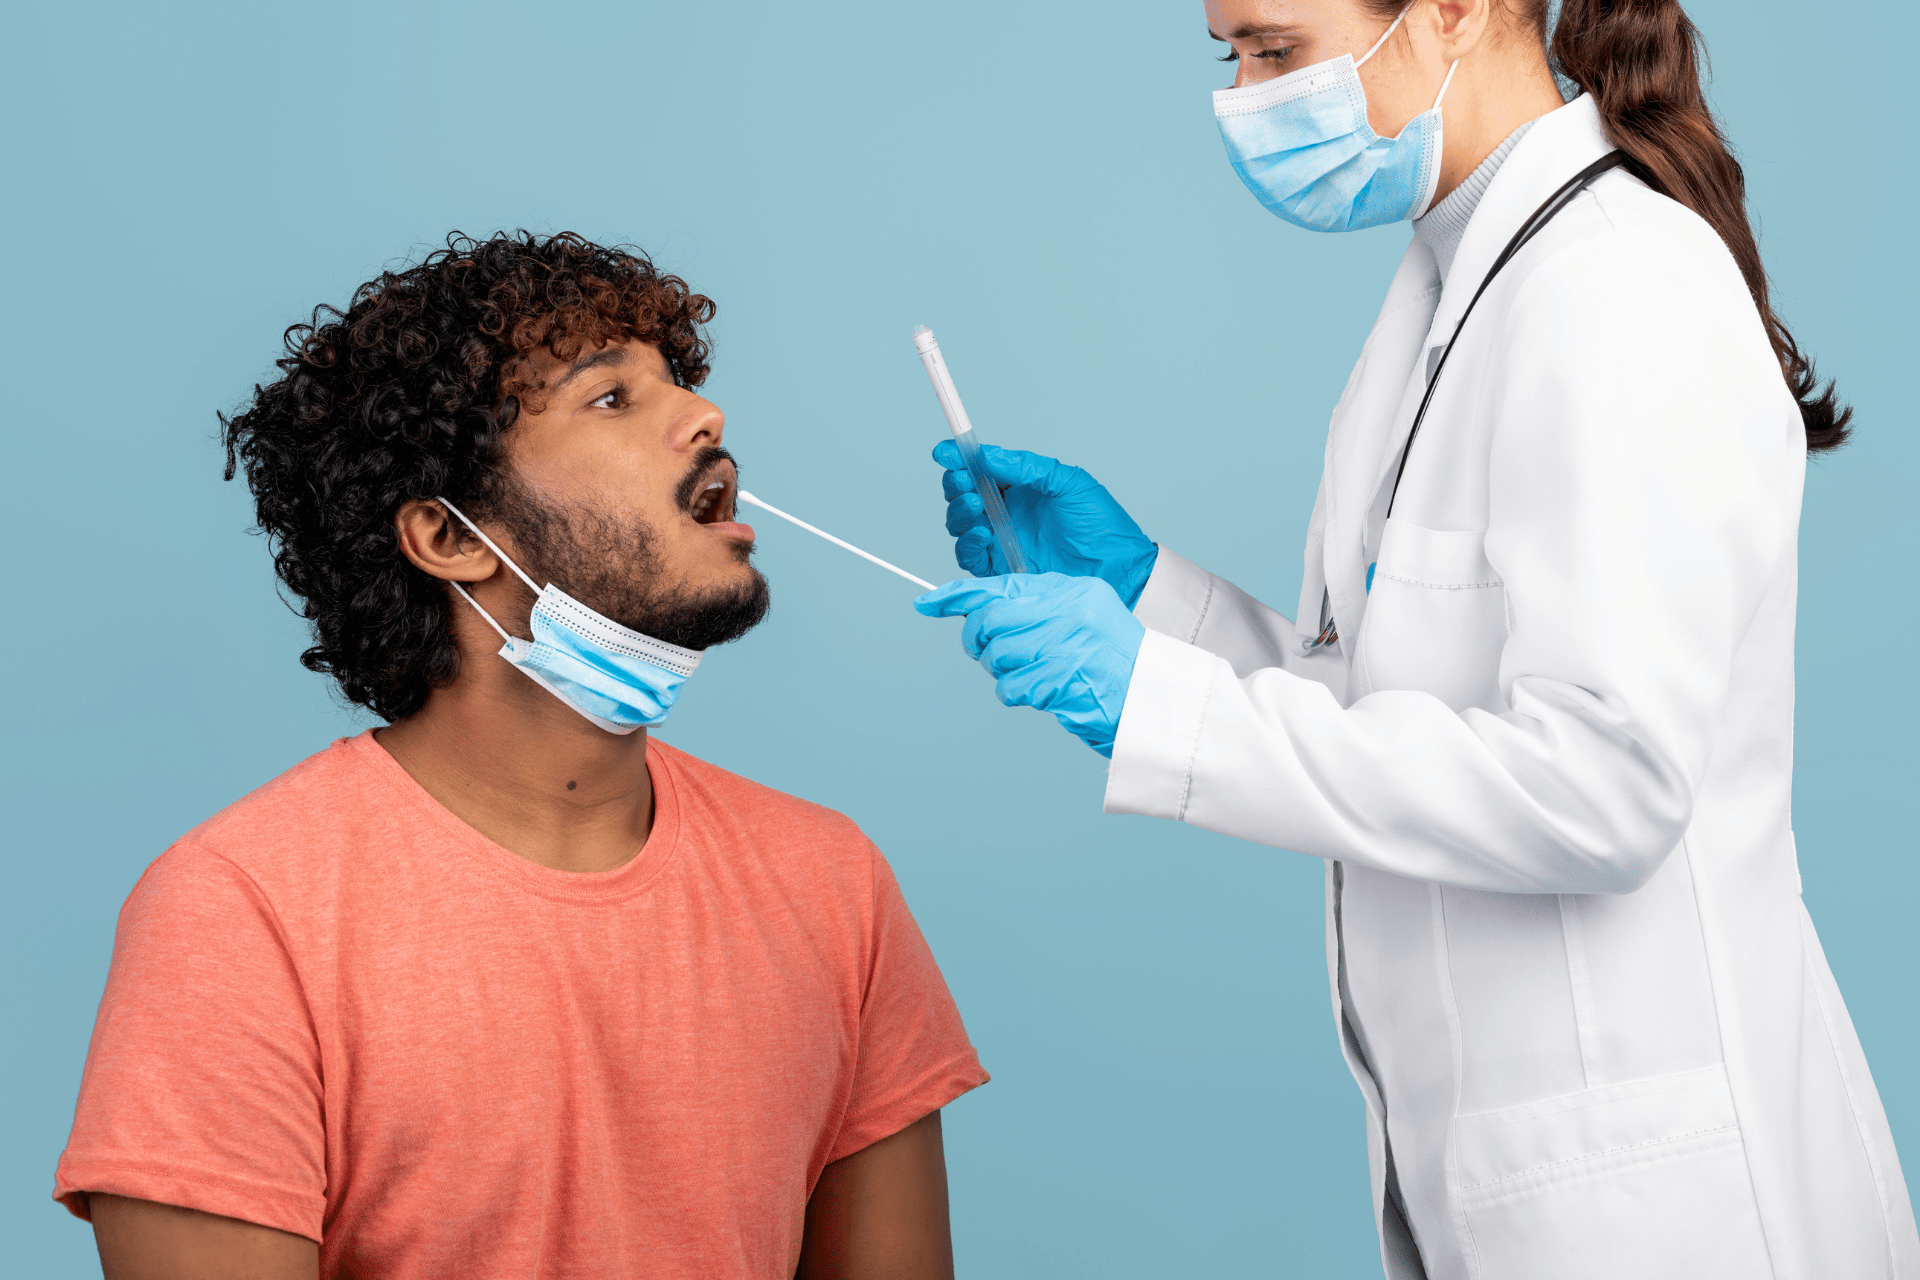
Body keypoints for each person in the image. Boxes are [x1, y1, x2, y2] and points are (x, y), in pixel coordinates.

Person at [915, 0, 1915, 1276]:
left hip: (1670, 1211)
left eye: (1276, 51)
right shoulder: (1456, 285)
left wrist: (1165, 709)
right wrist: (1151, 599)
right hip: (1517, 1194)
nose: (1243, 100)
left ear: (1452, 12)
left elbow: (1604, 782)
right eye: (1229, 55)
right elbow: (1393, 703)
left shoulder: (1616, 285)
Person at [54, 231, 987, 1280]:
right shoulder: (239, 910)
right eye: (610, 398)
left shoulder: (831, 883)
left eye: (676, 380)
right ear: (450, 538)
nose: (705, 414)